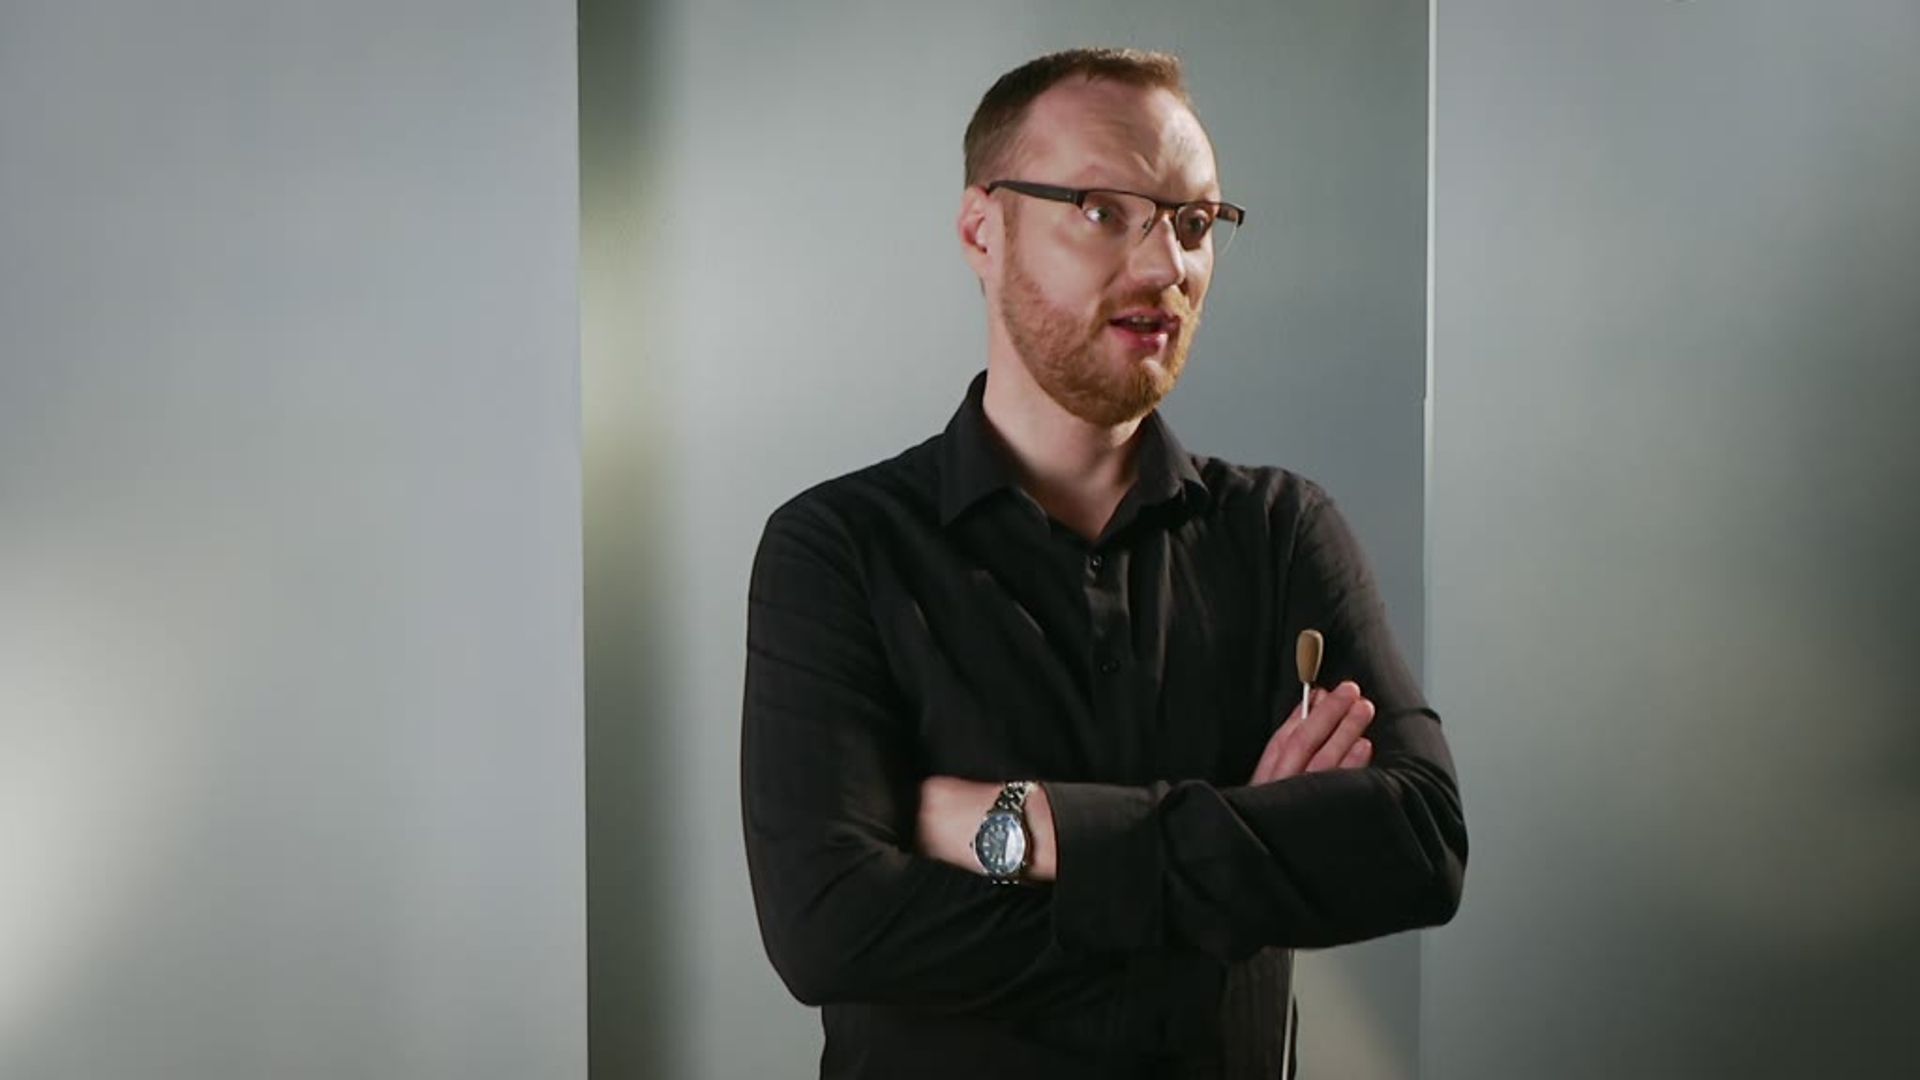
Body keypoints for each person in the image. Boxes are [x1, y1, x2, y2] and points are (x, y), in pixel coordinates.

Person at [740, 47, 1466, 1080]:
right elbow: (832, 930)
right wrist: (1245, 868)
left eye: (1194, 222)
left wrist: (1033, 831)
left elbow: (1421, 846)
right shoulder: (837, 548)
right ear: (982, 231)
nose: (1167, 266)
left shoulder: (1282, 532)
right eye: (1101, 210)